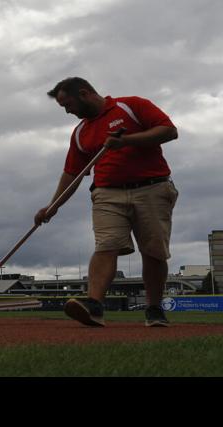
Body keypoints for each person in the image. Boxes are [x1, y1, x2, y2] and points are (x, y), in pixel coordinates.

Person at [35, 77, 180, 328]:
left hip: (153, 188)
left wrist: (126, 141)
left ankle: (154, 308)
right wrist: (53, 206)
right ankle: (94, 305)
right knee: (106, 245)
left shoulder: (131, 106)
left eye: (68, 105)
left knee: (153, 251)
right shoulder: (81, 132)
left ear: (84, 93)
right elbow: (72, 174)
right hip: (106, 194)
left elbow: (169, 131)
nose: (68, 111)